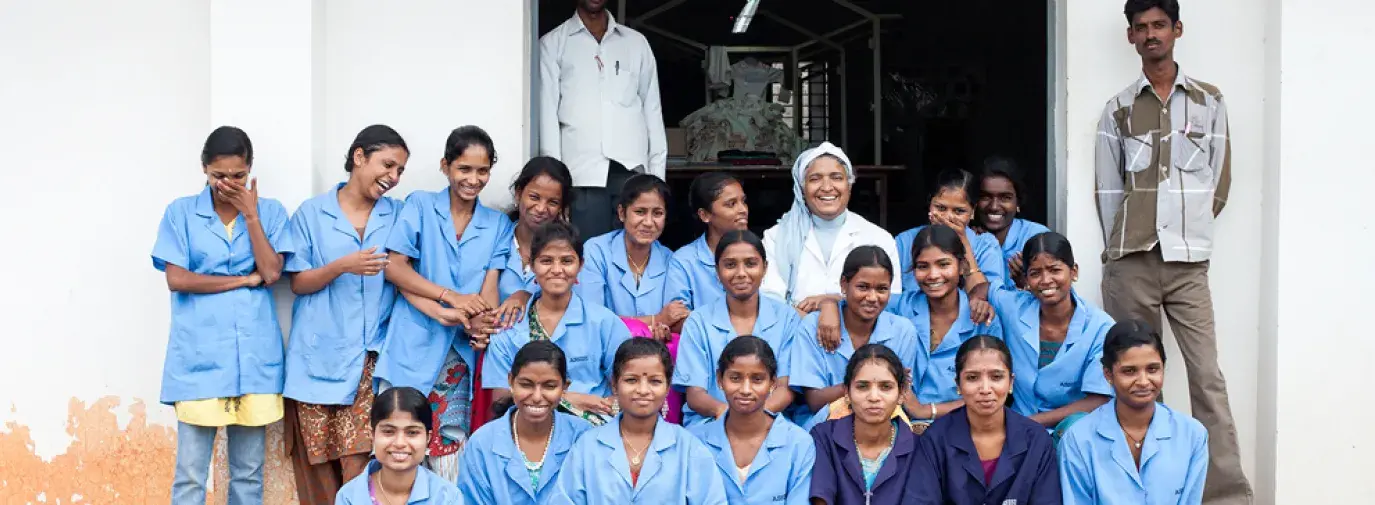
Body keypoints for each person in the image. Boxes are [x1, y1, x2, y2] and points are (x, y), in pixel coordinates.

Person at [1094, 1, 1249, 501]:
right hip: (1131, 263)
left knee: (1207, 380)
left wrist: (1187, 233)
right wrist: (1125, 248)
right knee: (1131, 379)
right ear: (1130, 38)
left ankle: (1224, 496)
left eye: (1159, 25)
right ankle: (1137, 491)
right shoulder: (1116, 109)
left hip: (1187, 266)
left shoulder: (1209, 102)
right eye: (1141, 27)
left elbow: (1217, 185)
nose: (1150, 34)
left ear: (1177, 30)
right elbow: (1109, 193)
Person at [153, 126, 292, 505]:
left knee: (248, 476)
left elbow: (272, 273)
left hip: (254, 361)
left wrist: (251, 216)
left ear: (250, 170)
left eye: (238, 176)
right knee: (190, 478)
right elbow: (177, 278)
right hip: (198, 361)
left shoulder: (271, 212)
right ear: (203, 169)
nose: (228, 184)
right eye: (219, 176)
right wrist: (240, 281)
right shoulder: (181, 213)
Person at [374, 125, 513, 480]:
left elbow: (490, 287)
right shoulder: (420, 205)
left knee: (450, 452)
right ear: (445, 166)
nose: (473, 179)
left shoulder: (497, 224)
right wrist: (446, 302)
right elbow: (394, 268)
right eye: (464, 169)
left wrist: (483, 323)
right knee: (400, 445)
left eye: (482, 171)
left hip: (457, 355)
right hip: (411, 344)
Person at [282, 125, 408, 504]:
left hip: (370, 362)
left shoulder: (399, 215)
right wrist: (342, 265)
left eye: (400, 170)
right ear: (359, 157)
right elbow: (298, 283)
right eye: (387, 164)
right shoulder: (312, 213)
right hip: (317, 357)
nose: (394, 177)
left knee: (360, 465)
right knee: (317, 468)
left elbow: (408, 274)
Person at [483, 220, 633, 425]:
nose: (556, 269)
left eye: (566, 261)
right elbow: (501, 401)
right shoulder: (509, 327)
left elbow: (632, 387)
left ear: (580, 265)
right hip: (528, 428)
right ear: (532, 264)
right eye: (546, 261)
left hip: (593, 434)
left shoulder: (603, 322)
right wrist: (565, 398)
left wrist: (608, 406)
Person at [539, 0, 667, 241]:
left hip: (631, 174)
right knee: (587, 258)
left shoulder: (636, 43)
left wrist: (656, 182)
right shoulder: (553, 44)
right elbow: (547, 117)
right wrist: (556, 188)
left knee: (632, 257)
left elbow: (652, 112)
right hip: (580, 177)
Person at [553, 338, 729, 504]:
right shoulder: (587, 448)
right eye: (631, 380)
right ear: (614, 384)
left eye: (655, 381)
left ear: (668, 387)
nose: (643, 390)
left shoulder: (690, 449)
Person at [1059, 320, 1209, 505]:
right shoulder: (1079, 439)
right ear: (1108, 374)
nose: (1144, 381)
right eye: (1129, 371)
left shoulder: (1192, 435)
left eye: (1152, 369)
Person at [901, 336, 1061, 505]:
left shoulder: (1036, 439)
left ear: (1011, 382)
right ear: (958, 385)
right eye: (972, 378)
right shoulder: (935, 439)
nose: (985, 389)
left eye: (996, 377)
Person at [987, 232, 1113, 437]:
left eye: (1055, 270)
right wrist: (978, 301)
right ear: (1026, 279)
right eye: (1035, 273)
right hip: (1015, 432)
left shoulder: (1100, 327)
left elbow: (1098, 400)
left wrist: (1029, 423)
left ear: (1074, 272)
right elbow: (985, 287)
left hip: (1073, 433)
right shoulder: (1014, 308)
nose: (1046, 280)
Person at [674, 230, 800, 425]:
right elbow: (695, 394)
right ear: (717, 271)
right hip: (711, 423)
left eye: (750, 264)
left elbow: (785, 388)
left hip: (771, 422)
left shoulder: (787, 318)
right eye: (730, 265)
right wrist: (728, 416)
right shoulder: (698, 321)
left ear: (765, 268)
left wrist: (755, 418)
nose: (741, 273)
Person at [761, 141, 903, 310]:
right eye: (815, 179)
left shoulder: (878, 238)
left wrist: (835, 303)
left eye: (836, 178)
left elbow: (891, 303)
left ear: (849, 185)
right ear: (801, 188)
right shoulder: (776, 237)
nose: (827, 187)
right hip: (793, 330)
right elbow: (770, 301)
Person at [790, 246, 919, 428]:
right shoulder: (813, 327)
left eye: (882, 289)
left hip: (882, 423)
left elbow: (898, 394)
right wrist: (875, 383)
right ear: (844, 284)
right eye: (862, 287)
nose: (872, 297)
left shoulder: (902, 331)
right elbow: (815, 400)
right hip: (822, 425)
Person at [885, 225, 1003, 424]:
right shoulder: (899, 307)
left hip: (963, 426)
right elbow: (855, 300)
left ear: (962, 266)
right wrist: (828, 305)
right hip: (898, 427)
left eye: (943, 264)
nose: (933, 275)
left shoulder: (982, 318)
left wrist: (926, 411)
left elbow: (994, 392)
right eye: (923, 266)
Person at [459, 341, 593, 505]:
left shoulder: (583, 437)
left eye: (549, 386)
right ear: (510, 381)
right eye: (526, 384)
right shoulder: (482, 443)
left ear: (565, 387)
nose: (537, 397)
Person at [688, 336, 815, 505]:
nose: (746, 390)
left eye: (757, 379)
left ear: (772, 383)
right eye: (735, 378)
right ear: (720, 379)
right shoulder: (694, 442)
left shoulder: (798, 444)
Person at [808, 344, 918, 505]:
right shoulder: (825, 437)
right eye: (862, 386)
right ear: (846, 393)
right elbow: (822, 498)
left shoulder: (919, 447)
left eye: (885, 387)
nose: (874, 397)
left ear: (901, 394)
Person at [334, 387, 463, 505]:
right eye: (388, 432)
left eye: (412, 432)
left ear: (428, 438)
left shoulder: (447, 497)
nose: (399, 443)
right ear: (372, 435)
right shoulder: (349, 497)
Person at [894, 168, 1005, 302]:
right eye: (940, 208)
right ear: (930, 205)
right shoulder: (904, 242)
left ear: (972, 211)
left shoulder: (986, 245)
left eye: (959, 211)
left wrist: (963, 241)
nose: (948, 217)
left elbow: (987, 300)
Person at [494, 156, 576, 319]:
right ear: (518, 194)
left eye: (552, 202)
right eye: (534, 197)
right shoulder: (495, 237)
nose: (540, 208)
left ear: (561, 207)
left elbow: (570, 304)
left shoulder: (568, 252)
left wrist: (527, 296)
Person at [666, 171, 750, 310]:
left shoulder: (758, 251)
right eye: (731, 204)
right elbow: (677, 319)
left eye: (743, 201)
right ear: (705, 215)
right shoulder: (684, 261)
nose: (743, 209)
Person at [974, 156, 1051, 290]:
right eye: (985, 197)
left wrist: (1027, 281)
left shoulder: (1037, 237)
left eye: (1005, 198)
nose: (994, 206)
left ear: (1018, 202)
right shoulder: (968, 237)